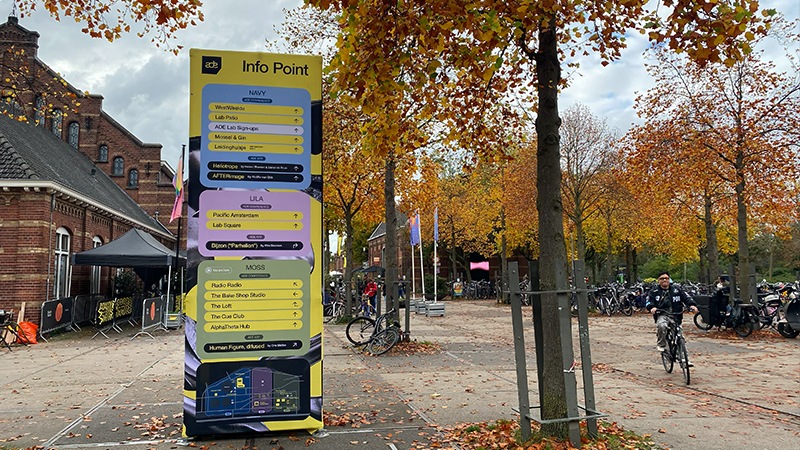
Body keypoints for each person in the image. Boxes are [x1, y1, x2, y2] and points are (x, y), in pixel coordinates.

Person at [646, 271, 698, 352]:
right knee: (662, 326)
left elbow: (686, 297)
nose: (664, 280)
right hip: (662, 314)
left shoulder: (677, 290)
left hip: (676, 315)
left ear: (669, 279)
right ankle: (661, 344)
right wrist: (652, 307)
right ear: (658, 280)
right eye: (662, 279)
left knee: (678, 334)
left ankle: (682, 355)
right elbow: (648, 301)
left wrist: (692, 305)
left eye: (666, 278)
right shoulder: (654, 292)